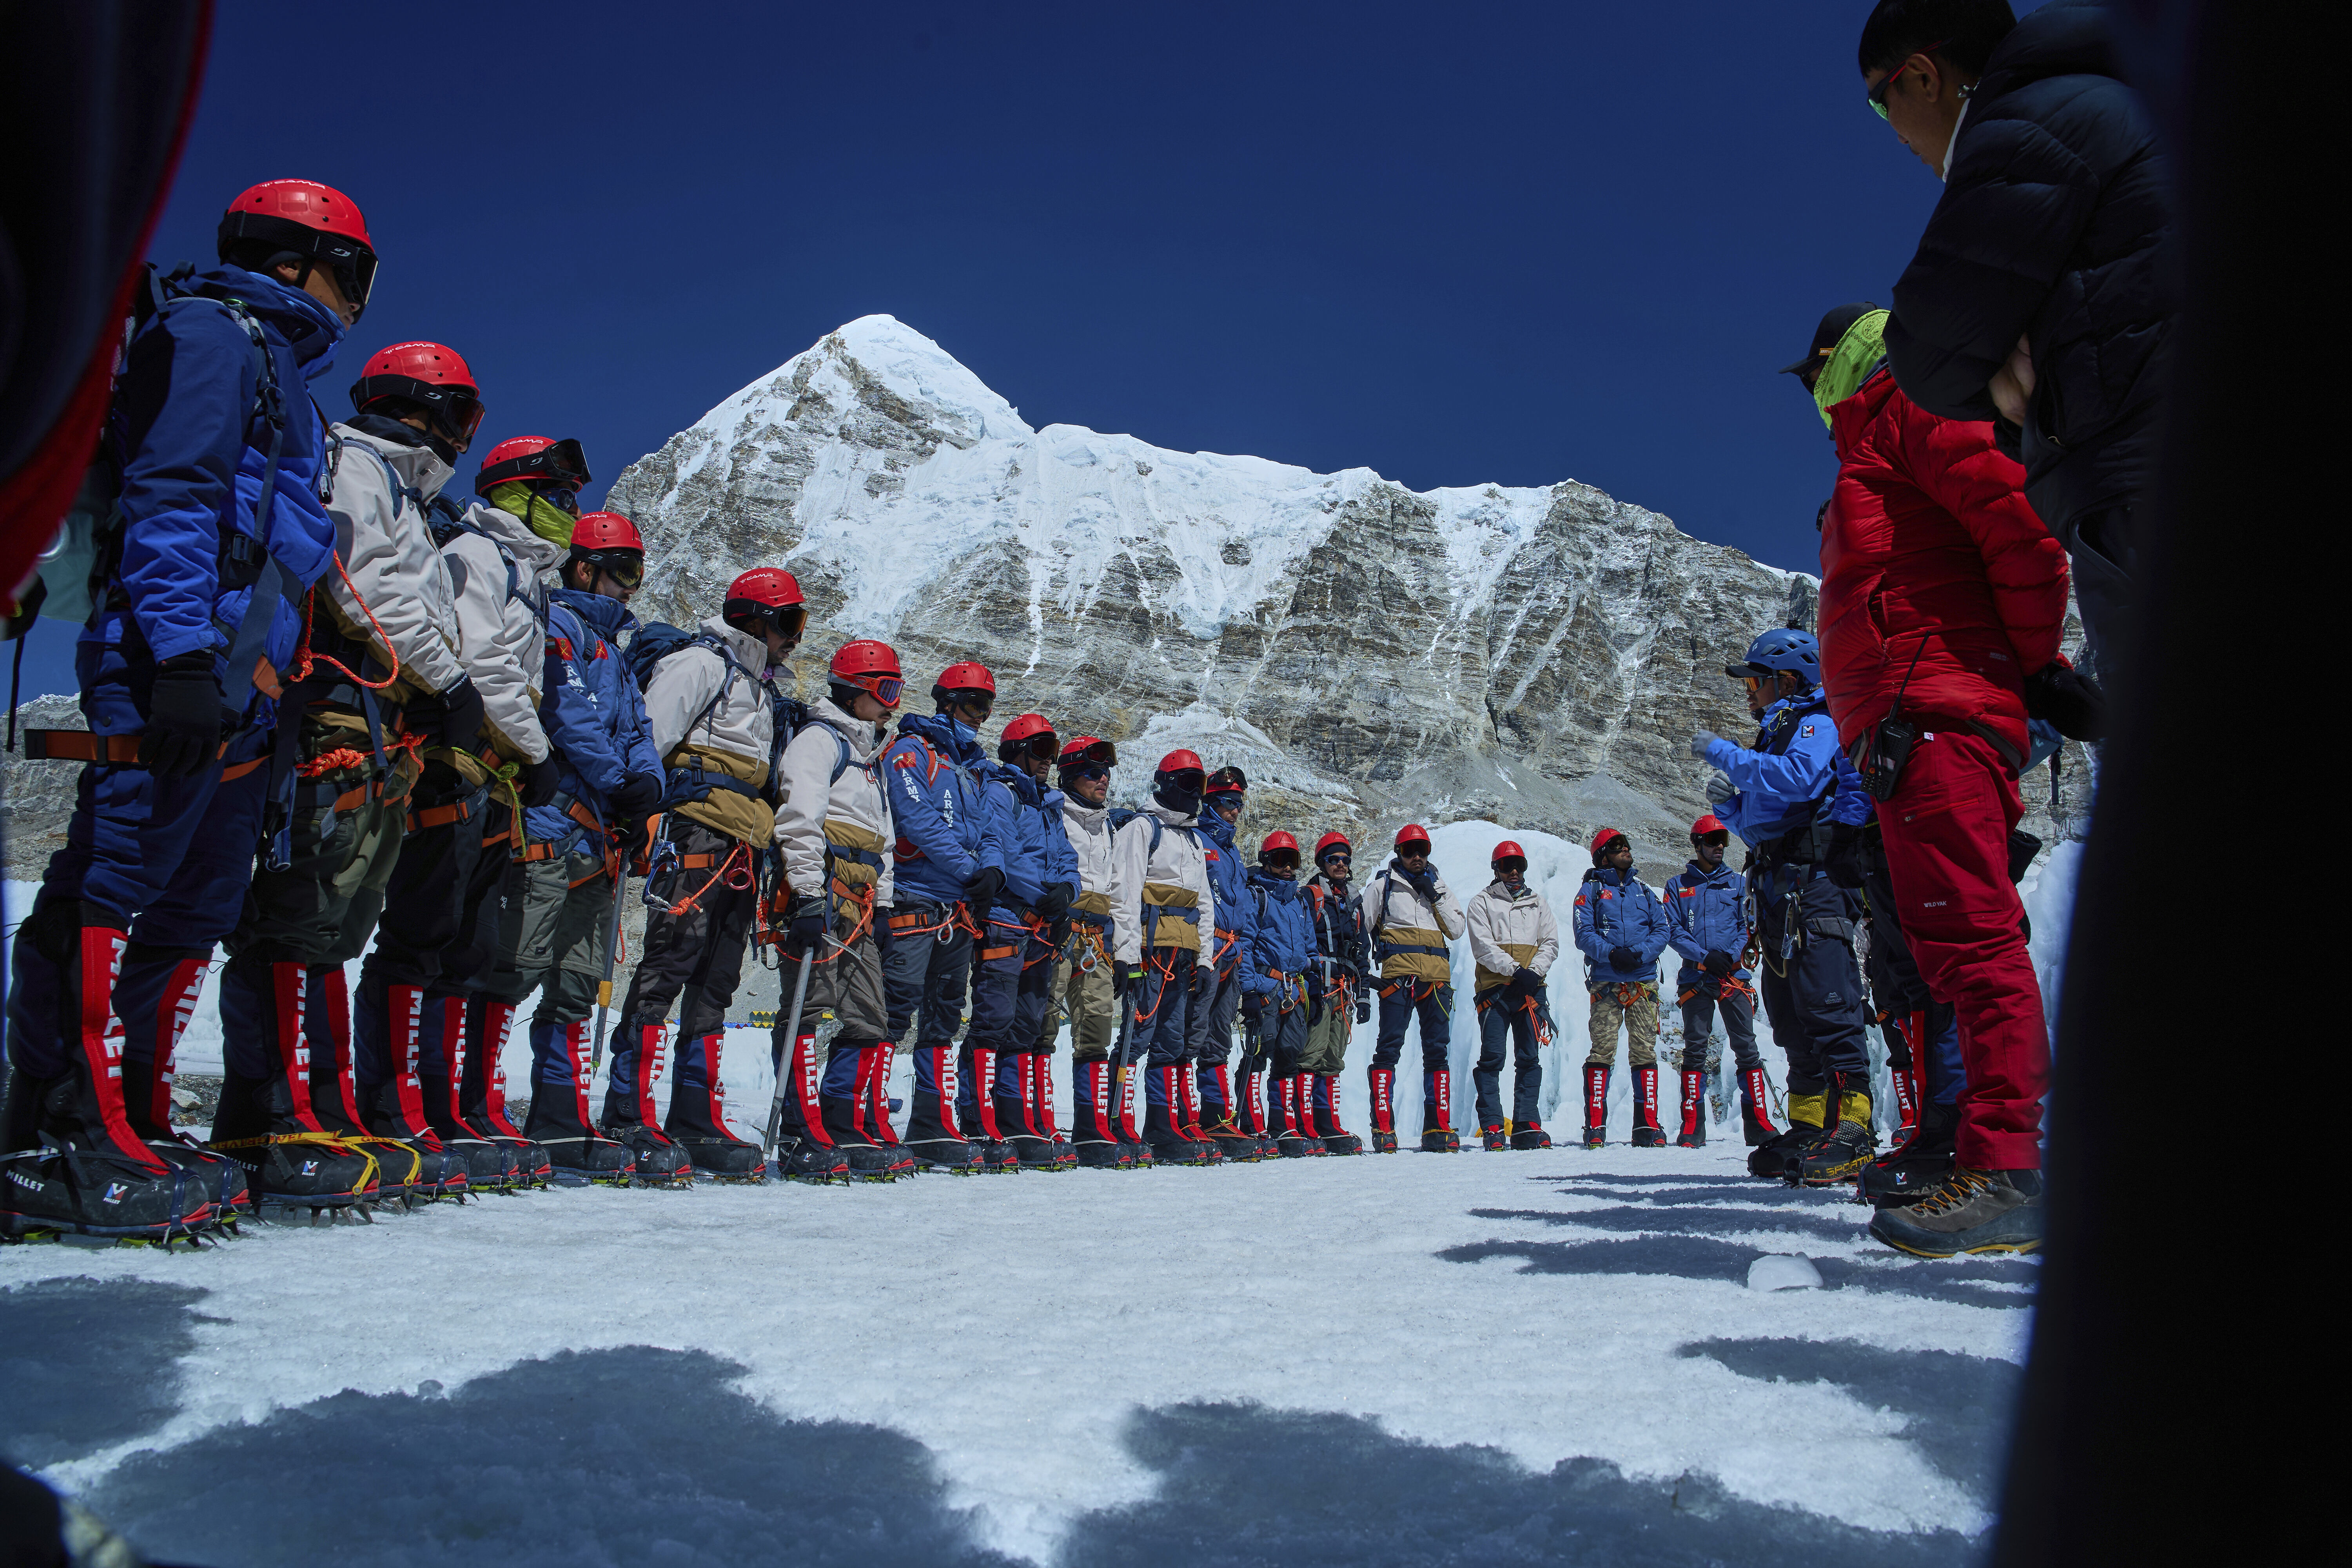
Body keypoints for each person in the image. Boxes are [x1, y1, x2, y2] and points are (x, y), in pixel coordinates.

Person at [6, 179, 367, 1238]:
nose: (357, 293)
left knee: (194, 903)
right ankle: (63, 1126)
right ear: (297, 259)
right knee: (118, 880)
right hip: (183, 661)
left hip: (242, 684)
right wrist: (176, 656)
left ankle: (138, 1112)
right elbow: (174, 496)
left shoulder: (277, 368)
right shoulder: (216, 337)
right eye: (351, 267)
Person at [1799, 294, 2069, 1254]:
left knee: (1974, 943)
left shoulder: (1913, 409)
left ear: (1845, 357)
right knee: (1949, 949)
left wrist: (2037, 667)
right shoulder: (1875, 436)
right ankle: (1983, 1156)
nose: (1811, 391)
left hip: (1939, 721)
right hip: (1910, 731)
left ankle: (2008, 1168)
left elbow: (2022, 533)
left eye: (1816, 370)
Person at [1861, 0, 2172, 670]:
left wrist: (2016, 396)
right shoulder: (2116, 104)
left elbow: (1925, 351)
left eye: (1879, 105)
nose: (1891, 134)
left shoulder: (2028, 126)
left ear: (1921, 76)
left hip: (2139, 480)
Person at [349, 433, 579, 1195]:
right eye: (557, 493)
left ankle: (443, 1105)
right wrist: (538, 750)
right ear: (518, 490)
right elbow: (488, 663)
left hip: (496, 769)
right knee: (426, 931)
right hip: (464, 760)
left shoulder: (523, 573)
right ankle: (394, 1100)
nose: (569, 512)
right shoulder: (480, 555)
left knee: (468, 942)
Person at [477, 511, 665, 1183]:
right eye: (623, 572)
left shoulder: (615, 649)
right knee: (517, 964)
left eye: (638, 574)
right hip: (556, 824)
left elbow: (639, 728)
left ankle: (558, 1113)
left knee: (577, 982)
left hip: (601, 834)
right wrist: (622, 785)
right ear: (584, 568)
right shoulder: (558, 628)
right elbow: (567, 711)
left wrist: (648, 783)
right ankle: (477, 1103)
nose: (630, 587)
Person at [607, 567, 807, 1183]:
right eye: (791, 623)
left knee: (717, 980)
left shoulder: (760, 688)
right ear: (758, 619)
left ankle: (694, 1115)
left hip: (741, 847)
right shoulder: (701, 665)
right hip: (695, 836)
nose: (795, 638)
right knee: (669, 964)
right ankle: (626, 1114)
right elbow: (650, 736)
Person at [1693, 627, 1877, 1185]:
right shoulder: (1775, 734)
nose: (1747, 689)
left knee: (1827, 999)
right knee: (1791, 1014)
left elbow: (1801, 782)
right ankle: (1806, 1127)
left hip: (1815, 884)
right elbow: (1765, 826)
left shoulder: (1817, 722)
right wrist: (1731, 813)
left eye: (1755, 679)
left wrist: (1722, 752)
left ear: (1787, 680)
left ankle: (1855, 1129)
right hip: (1777, 883)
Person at [773, 639, 902, 1180]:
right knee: (810, 1006)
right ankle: (800, 1130)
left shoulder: (870, 759)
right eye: (886, 690)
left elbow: (884, 841)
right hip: (824, 892)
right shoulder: (820, 742)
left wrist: (888, 905)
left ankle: (843, 1120)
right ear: (858, 691)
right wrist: (805, 894)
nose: (893, 702)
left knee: (870, 1015)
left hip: (862, 902)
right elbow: (801, 817)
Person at [877, 664, 1000, 1169]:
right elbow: (918, 819)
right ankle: (865, 1110)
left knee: (945, 1013)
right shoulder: (911, 752)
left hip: (961, 907)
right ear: (947, 702)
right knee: (895, 1004)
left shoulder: (974, 769)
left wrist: (990, 870)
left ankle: (931, 1118)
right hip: (917, 896)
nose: (982, 716)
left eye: (988, 707)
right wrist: (972, 870)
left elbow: (990, 826)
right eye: (974, 705)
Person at [968, 712, 1080, 1171]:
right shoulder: (1002, 793)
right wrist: (1046, 897)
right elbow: (1002, 852)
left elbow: (1068, 859)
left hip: (1041, 931)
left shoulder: (1049, 806)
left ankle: (1014, 1116)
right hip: (1009, 920)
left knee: (1028, 1023)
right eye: (1040, 753)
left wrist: (1067, 892)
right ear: (1016, 751)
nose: (1047, 763)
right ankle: (978, 1115)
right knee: (993, 1018)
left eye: (1051, 755)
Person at [1117, 750, 1220, 1165]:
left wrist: (1206, 961)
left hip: (1183, 953)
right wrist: (1126, 954)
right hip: (1148, 949)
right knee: (1136, 1036)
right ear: (1168, 783)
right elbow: (1124, 893)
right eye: (1190, 783)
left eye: (1202, 785)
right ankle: (1117, 1119)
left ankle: (1161, 1124)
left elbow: (1205, 905)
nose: (1197, 793)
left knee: (1171, 1041)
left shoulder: (1193, 839)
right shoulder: (1143, 829)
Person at [1045, 735, 1137, 1168]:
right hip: (1058, 930)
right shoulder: (1052, 813)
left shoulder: (1110, 828)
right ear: (1071, 776)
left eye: (1107, 773)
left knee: (1097, 1029)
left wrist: (1122, 951)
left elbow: (1120, 895)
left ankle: (1090, 1124)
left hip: (1096, 938)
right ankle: (1037, 1117)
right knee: (1042, 1021)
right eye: (1094, 773)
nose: (1104, 780)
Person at [1662, 814, 1776, 1147]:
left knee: (1747, 1048)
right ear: (1697, 845)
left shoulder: (1739, 884)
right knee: (1695, 1048)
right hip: (1696, 978)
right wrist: (1703, 956)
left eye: (1723, 841)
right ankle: (1693, 1127)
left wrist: (1729, 955)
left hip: (1732, 976)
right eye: (1712, 842)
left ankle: (1758, 1122)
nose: (1719, 848)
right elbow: (1673, 929)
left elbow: (1747, 923)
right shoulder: (1677, 886)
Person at [1570, 829, 1674, 1149]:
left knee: (1644, 1050)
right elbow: (1583, 932)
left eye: (1627, 844)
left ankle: (1646, 1125)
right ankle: (1596, 1126)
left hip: (1642, 981)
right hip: (1607, 982)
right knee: (1602, 1049)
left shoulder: (1644, 891)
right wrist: (1613, 953)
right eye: (1617, 847)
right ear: (1603, 856)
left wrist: (1640, 955)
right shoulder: (1590, 891)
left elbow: (1663, 928)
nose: (1626, 850)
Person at [1365, 824, 1465, 1153]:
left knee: (1437, 1051)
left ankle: (1438, 1127)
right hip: (1398, 978)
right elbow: (1360, 928)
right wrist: (1366, 976)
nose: (1417, 857)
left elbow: (1456, 929)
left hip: (1436, 979)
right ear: (1399, 854)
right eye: (1410, 851)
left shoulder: (1439, 886)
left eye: (1422, 851)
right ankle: (1383, 1129)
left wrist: (1433, 894)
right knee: (1389, 1048)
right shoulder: (1383, 886)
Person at [1191, 767, 1274, 1158]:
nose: (1235, 811)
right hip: (1204, 948)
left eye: (1239, 804)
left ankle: (1213, 1115)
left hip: (1232, 952)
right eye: (1228, 802)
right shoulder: (1196, 839)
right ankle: (1181, 1114)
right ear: (1210, 802)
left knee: (1218, 1036)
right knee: (1190, 1032)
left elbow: (1242, 915)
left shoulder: (1232, 852)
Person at [1464, 840, 1558, 1151]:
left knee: (1530, 1058)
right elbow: (1483, 946)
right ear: (1496, 869)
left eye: (1519, 865)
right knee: (1493, 1058)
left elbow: (1550, 942)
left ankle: (1526, 1124)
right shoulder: (1482, 902)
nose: (1514, 871)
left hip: (1530, 993)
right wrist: (1517, 971)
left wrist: (1533, 973)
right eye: (1507, 866)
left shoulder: (1538, 904)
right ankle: (1493, 1125)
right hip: (1496, 992)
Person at [1244, 831, 1323, 1156]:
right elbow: (1246, 946)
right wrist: (1249, 990)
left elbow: (1310, 947)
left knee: (1289, 1055)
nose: (1288, 868)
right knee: (1260, 1051)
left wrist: (1315, 982)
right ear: (1267, 862)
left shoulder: (1299, 902)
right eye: (1280, 861)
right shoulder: (1258, 897)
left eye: (1293, 861)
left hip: (1296, 988)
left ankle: (1283, 1124)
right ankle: (1251, 1123)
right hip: (1267, 987)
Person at [1300, 831, 1371, 1150]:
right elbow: (1301, 941)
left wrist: (1365, 993)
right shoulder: (1310, 897)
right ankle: (1304, 1122)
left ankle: (1326, 1122)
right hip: (1319, 986)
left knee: (1334, 1057)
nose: (1340, 864)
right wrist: (1311, 986)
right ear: (1322, 863)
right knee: (1311, 1054)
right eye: (1334, 859)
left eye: (1345, 860)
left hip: (1345, 991)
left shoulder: (1353, 903)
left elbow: (1363, 951)